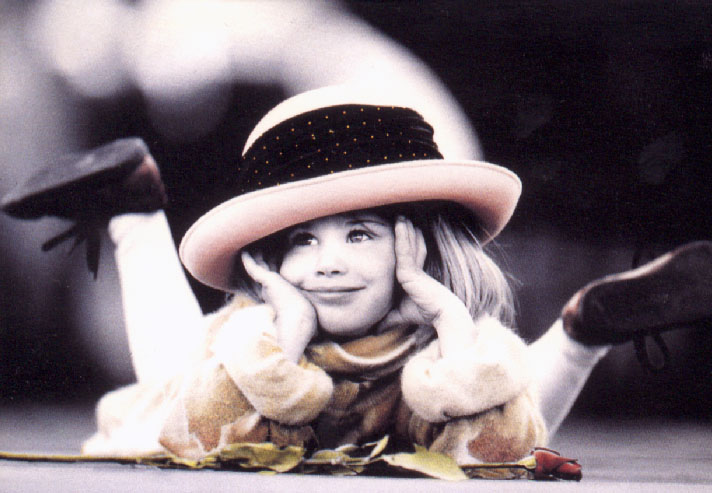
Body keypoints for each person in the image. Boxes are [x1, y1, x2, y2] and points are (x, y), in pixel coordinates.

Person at [3, 85, 711, 465]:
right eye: (301, 241)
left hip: (422, 379)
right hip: (228, 384)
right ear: (271, 261)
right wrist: (283, 341)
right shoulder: (252, 337)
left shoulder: (444, 349)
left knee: (502, 420)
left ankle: (587, 326)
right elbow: (206, 432)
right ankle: (134, 211)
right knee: (167, 388)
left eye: (363, 233)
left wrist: (450, 316)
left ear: (421, 246)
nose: (328, 262)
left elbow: (499, 444)